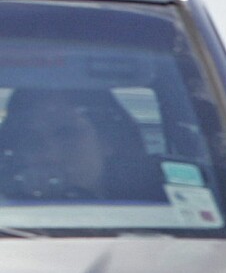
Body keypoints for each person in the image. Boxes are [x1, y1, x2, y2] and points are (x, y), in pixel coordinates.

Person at [0, 87, 164, 202]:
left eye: (67, 134)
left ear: (107, 141)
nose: (50, 155)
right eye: (32, 140)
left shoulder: (157, 208)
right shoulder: (8, 218)